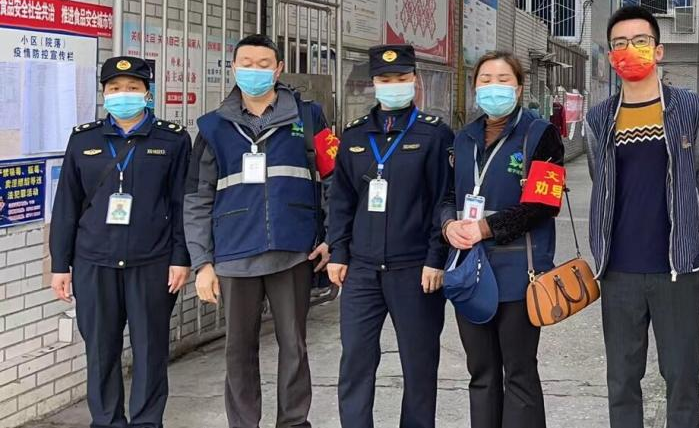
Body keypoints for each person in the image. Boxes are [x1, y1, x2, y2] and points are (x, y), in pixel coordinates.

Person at [184, 34, 334, 428]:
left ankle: (293, 423)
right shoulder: (212, 127)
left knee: (294, 347)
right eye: (246, 63)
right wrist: (202, 262)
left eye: (264, 64)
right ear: (234, 68)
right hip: (234, 254)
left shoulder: (309, 117)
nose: (255, 70)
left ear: (278, 68)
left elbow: (335, 181)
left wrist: (331, 237)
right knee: (238, 351)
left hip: (294, 251)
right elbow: (197, 198)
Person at [584, 5, 699, 428]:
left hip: (678, 272)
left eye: (640, 41)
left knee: (682, 379)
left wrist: (685, 230)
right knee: (622, 381)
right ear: (611, 57)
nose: (630, 50)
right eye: (620, 44)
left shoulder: (692, 108)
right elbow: (601, 180)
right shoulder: (599, 119)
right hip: (618, 272)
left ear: (658, 50)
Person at [49, 56, 192, 428]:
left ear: (147, 93)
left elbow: (182, 204)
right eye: (115, 88)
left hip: (152, 262)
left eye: (132, 88)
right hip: (94, 261)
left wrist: (181, 257)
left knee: (150, 351)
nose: (123, 94)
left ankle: (146, 422)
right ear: (104, 93)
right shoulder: (84, 139)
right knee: (100, 352)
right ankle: (106, 421)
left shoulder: (173, 139)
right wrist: (60, 265)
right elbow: (66, 205)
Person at [325, 44, 453, 428]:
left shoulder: (434, 135)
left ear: (414, 80)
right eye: (385, 79)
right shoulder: (354, 135)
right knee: (355, 361)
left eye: (401, 78)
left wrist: (436, 258)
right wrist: (338, 252)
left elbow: (444, 200)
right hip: (362, 270)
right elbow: (341, 199)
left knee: (419, 364)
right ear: (374, 83)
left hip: (415, 270)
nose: (393, 85)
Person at [443, 51, 565, 428]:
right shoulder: (463, 139)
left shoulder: (540, 134)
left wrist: (486, 228)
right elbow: (447, 196)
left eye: (503, 80)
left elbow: (543, 204)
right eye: (485, 80)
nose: (493, 87)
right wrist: (448, 225)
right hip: (469, 272)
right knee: (481, 373)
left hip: (519, 273)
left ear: (519, 87)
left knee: (519, 371)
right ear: (474, 87)